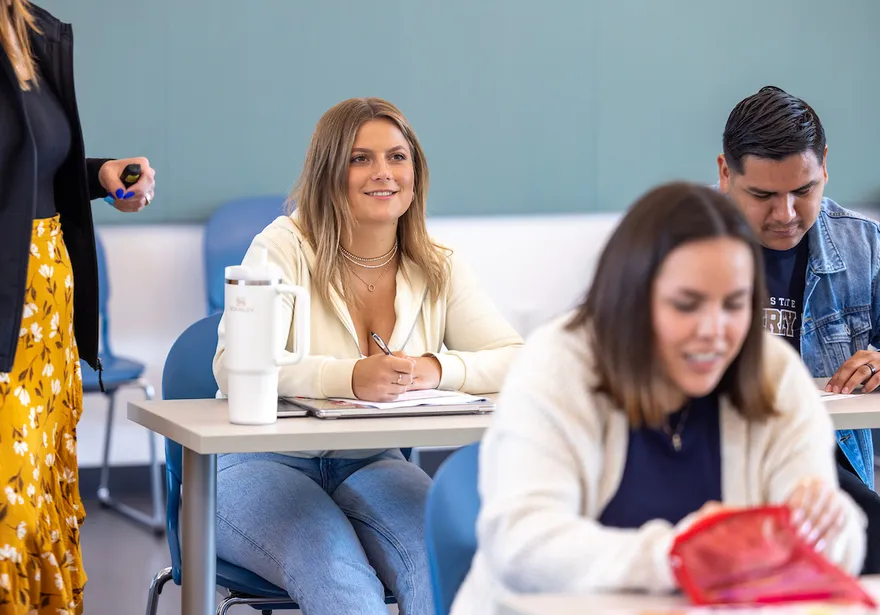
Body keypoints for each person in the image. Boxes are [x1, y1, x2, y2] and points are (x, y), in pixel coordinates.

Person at [451, 182, 866, 615]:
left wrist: (826, 529)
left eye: (734, 304)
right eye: (686, 304)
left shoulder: (774, 373)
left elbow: (841, 551)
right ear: (631, 300)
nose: (714, 330)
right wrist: (677, 556)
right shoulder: (558, 364)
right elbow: (521, 544)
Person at [212, 97, 522, 615]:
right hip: (258, 463)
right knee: (336, 570)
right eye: (360, 159)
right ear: (329, 170)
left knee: (443, 566)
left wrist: (435, 369)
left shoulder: (437, 263)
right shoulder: (282, 245)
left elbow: (516, 359)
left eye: (397, 157)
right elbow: (233, 367)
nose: (384, 172)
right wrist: (350, 377)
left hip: (372, 461)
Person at [0, 2, 156, 612]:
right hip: (5, 315)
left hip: (44, 316)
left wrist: (99, 175)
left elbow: (26, 167)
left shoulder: (31, 30)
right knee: (10, 517)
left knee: (36, 503)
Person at [718, 85, 880, 573]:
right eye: (763, 195)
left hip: (828, 469)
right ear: (726, 174)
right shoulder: (684, 251)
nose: (786, 215)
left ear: (824, 166)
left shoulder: (864, 246)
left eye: (803, 191)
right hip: (723, 470)